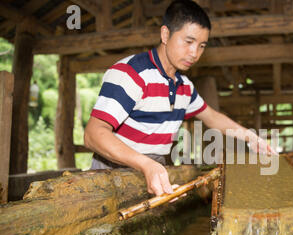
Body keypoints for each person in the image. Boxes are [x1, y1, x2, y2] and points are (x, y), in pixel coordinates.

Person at [84, 0, 276, 197]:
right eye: (188, 42)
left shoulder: (184, 87)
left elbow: (211, 117)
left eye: (201, 46)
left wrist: (250, 137)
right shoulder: (131, 73)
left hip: (153, 171)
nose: (194, 53)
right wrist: (145, 164)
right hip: (111, 174)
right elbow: (93, 134)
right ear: (165, 34)